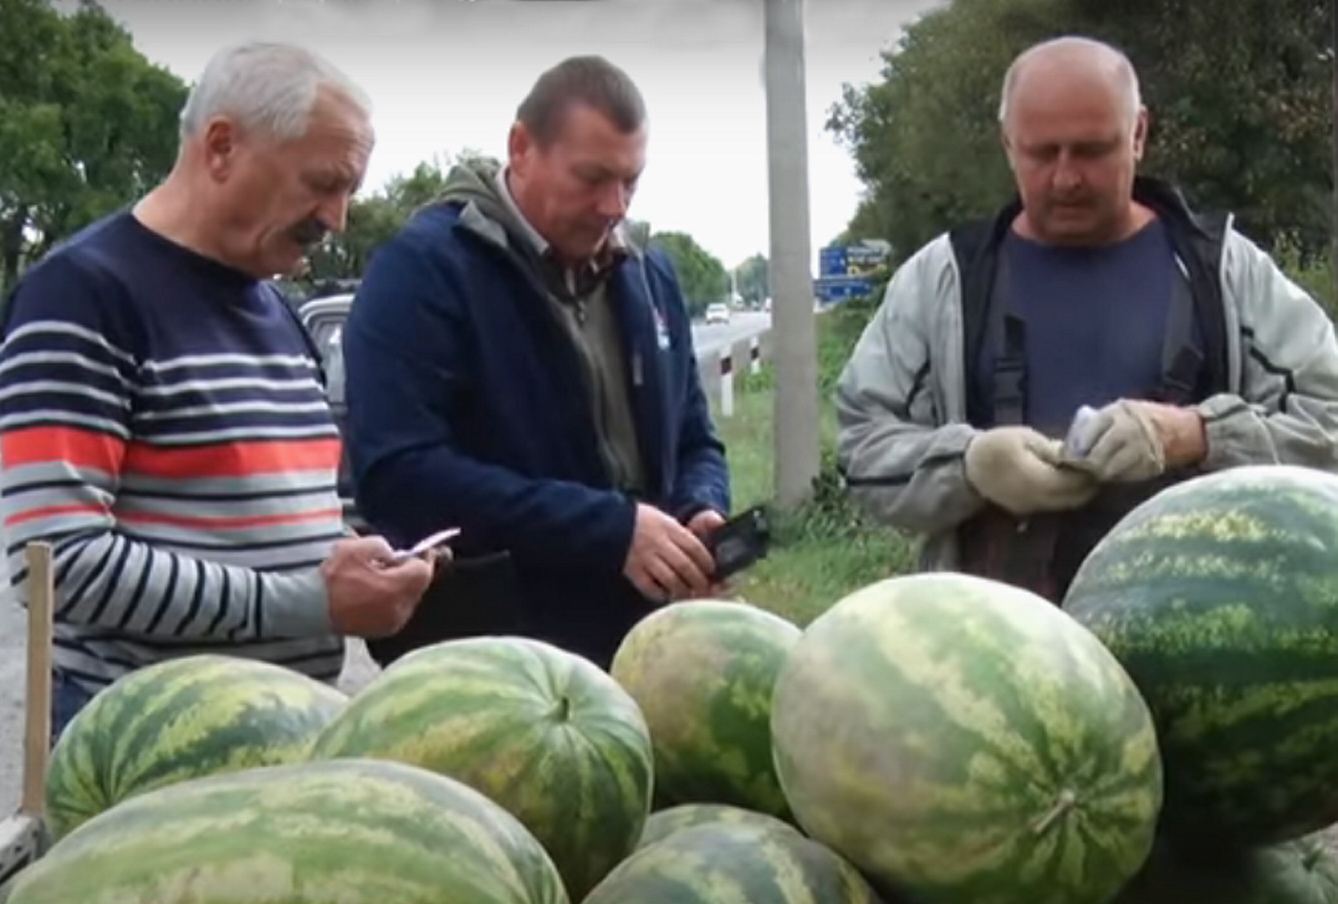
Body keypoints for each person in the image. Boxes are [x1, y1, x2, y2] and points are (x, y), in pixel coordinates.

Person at [0, 41, 435, 737]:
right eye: (324, 182)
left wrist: (350, 554)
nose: (338, 217)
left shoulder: (276, 311)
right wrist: (310, 602)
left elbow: (262, 519)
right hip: (149, 749)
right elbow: (57, 567)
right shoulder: (82, 297)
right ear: (224, 146)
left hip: (275, 734)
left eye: (348, 191)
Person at [834, 35, 1338, 602]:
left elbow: (1328, 420)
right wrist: (971, 464)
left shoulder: (1222, 269)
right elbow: (863, 443)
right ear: (1007, 145)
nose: (1066, 178)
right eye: (1043, 153)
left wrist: (1196, 436)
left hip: (1200, 634)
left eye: (1092, 150)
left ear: (1139, 134)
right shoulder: (944, 281)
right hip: (995, 646)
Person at [341, 54, 731, 669]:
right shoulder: (423, 271)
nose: (614, 206)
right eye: (592, 178)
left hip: (648, 651)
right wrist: (609, 529)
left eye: (631, 181)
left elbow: (693, 439)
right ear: (521, 148)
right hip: (495, 665)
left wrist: (700, 510)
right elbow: (400, 475)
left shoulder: (652, 274)